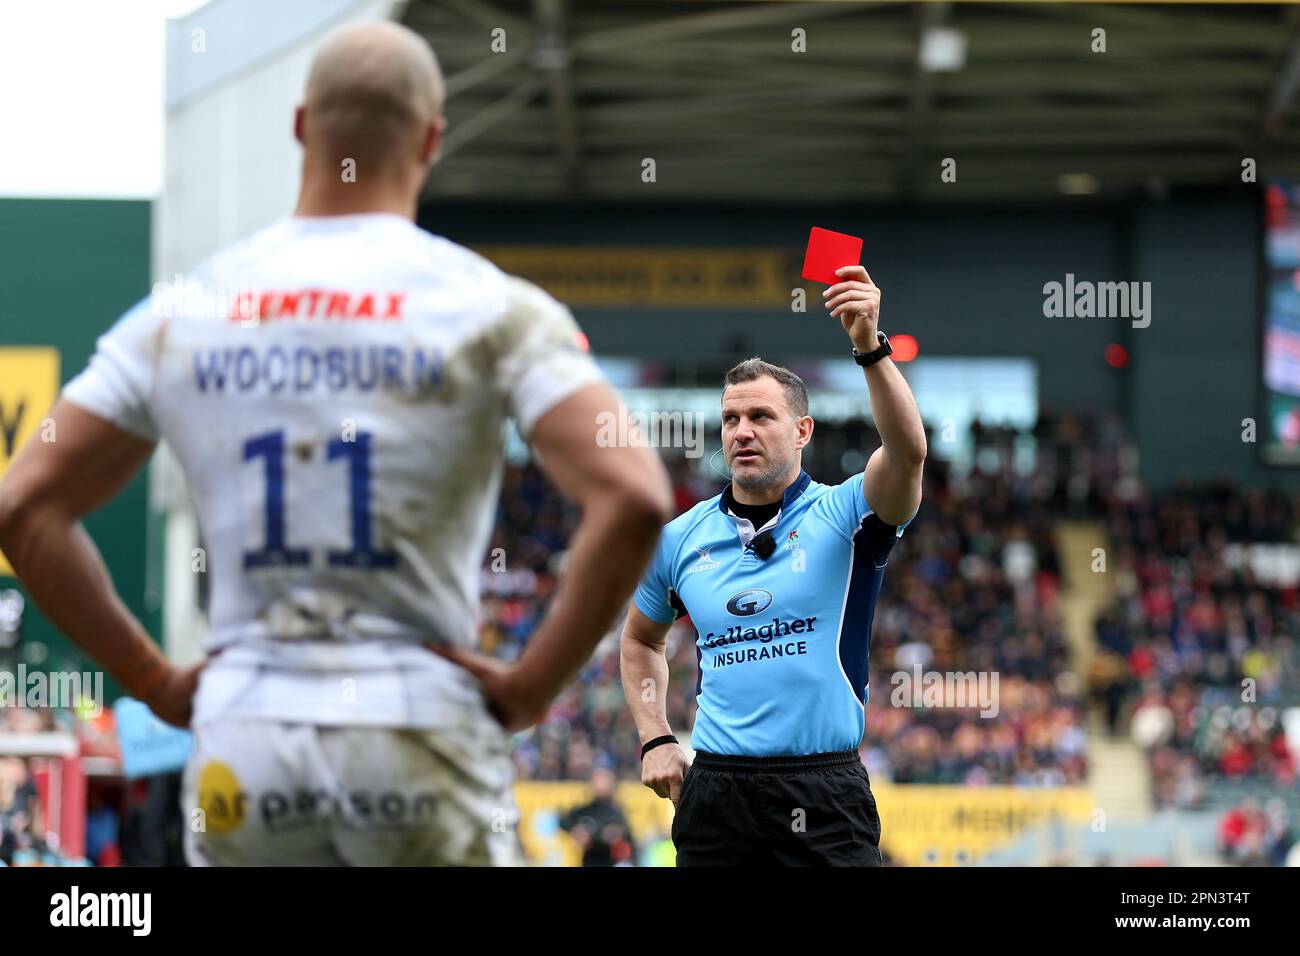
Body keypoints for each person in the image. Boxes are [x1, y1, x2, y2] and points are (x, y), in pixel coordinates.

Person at [0, 21, 672, 866]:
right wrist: (530, 688)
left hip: (247, 738)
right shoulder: (491, 306)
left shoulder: (187, 308)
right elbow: (636, 495)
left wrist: (155, 682)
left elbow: (24, 505)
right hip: (419, 727)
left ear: (298, 128)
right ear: (431, 139)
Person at [620, 265, 925, 865]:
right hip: (716, 794)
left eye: (761, 416)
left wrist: (868, 346)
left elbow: (909, 452)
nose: (742, 431)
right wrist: (655, 737)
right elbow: (638, 642)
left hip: (823, 793)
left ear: (803, 429)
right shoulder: (679, 538)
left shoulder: (847, 513)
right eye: (731, 419)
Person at [559, 766, 636, 866]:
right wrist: (575, 830)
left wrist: (609, 835)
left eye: (603, 781)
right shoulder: (585, 809)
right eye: (596, 781)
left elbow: (624, 835)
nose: (599, 786)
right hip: (589, 861)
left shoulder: (616, 813)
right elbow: (563, 822)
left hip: (609, 861)